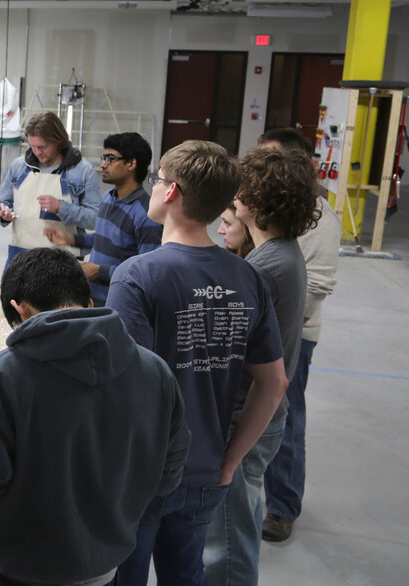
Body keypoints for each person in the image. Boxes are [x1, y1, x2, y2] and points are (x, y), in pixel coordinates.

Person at [0, 247, 190, 586]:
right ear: (90, 304)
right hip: (104, 572)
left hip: (15, 568)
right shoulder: (156, 373)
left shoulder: (5, 375)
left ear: (21, 310)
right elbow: (167, 477)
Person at [107, 141, 289, 586]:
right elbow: (275, 383)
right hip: (207, 470)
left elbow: (126, 390)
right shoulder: (247, 277)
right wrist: (230, 461)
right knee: (186, 576)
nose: (152, 188)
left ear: (171, 193)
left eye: (157, 181)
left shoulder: (137, 276)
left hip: (144, 475)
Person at [203, 147, 321, 586]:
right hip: (260, 416)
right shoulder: (278, 254)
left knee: (228, 542)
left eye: (240, 193)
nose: (233, 199)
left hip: (246, 419)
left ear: (258, 200)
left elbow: (246, 365)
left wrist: (231, 452)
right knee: (238, 521)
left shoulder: (264, 268)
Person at [256, 129, 341, 543]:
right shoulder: (269, 208)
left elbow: (318, 283)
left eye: (269, 161)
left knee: (285, 417)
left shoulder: (320, 215)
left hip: (294, 333)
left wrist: (276, 322)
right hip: (266, 327)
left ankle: (282, 507)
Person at [46, 132, 161, 307]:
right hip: (92, 298)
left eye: (110, 159)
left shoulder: (146, 214)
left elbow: (146, 274)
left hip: (118, 303)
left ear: (131, 163)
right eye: (104, 158)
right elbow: (102, 238)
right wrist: (71, 239)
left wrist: (100, 272)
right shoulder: (108, 197)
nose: (103, 165)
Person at [0, 111, 100, 268]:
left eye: (42, 147)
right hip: (20, 254)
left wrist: (61, 208)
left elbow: (95, 219)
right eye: (33, 146)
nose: (37, 152)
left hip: (63, 257)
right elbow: (3, 201)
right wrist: (3, 214)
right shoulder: (18, 166)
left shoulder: (83, 171)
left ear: (58, 141)